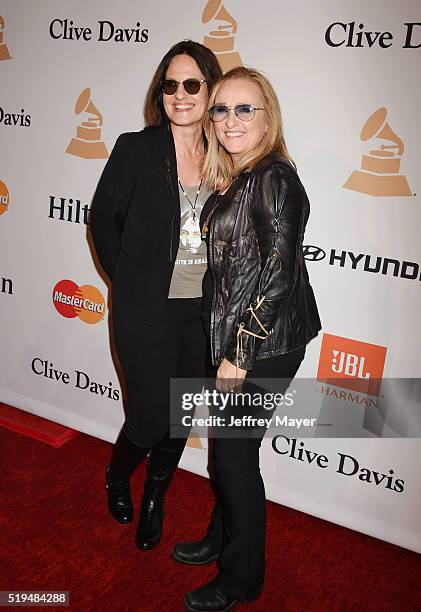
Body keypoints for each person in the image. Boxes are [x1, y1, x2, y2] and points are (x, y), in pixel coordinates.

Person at [172, 67, 322, 611]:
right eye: (221, 109)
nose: (229, 120)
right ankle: (220, 537)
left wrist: (239, 352)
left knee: (233, 459)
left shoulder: (275, 178)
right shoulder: (239, 176)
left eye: (244, 109)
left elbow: (279, 276)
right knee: (227, 453)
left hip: (267, 344)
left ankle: (242, 577)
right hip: (236, 338)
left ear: (268, 116)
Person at [90, 40, 222, 551]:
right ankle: (118, 476)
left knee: (182, 414)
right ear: (160, 92)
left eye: (193, 84)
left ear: (210, 90)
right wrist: (126, 282)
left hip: (200, 313)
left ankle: (155, 497)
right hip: (144, 313)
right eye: (171, 84)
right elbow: (103, 221)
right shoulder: (135, 148)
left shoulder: (224, 156)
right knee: (147, 419)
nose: (181, 94)